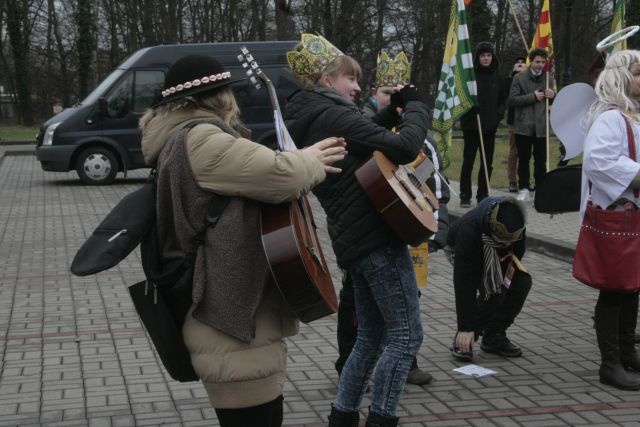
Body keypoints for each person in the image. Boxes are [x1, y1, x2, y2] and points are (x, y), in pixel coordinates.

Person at [139, 54, 347, 427]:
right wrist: (310, 159)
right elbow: (280, 175)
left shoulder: (182, 135)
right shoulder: (202, 138)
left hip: (227, 311)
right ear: (217, 97)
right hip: (230, 316)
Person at [284, 34, 428, 427]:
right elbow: (404, 147)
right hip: (377, 236)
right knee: (405, 337)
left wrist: (392, 111)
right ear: (328, 79)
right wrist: (416, 107)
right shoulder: (333, 114)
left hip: (356, 240)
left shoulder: (311, 112)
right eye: (351, 79)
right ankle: (381, 418)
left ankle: (343, 416)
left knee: (370, 338)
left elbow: (361, 134)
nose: (358, 87)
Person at [332, 51, 448, 387]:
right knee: (356, 305)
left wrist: (425, 199)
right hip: (367, 234)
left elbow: (435, 183)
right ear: (374, 94)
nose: (391, 96)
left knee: (408, 298)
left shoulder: (421, 137)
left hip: (408, 227)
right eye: (386, 90)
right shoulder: (359, 125)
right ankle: (347, 363)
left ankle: (406, 364)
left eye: (397, 90)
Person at [580, 49, 640, 390]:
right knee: (615, 290)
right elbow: (599, 161)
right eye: (637, 73)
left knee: (631, 286)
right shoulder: (610, 118)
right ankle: (610, 363)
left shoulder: (629, 115)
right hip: (616, 216)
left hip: (630, 215)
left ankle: (627, 353)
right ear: (619, 75)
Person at [448, 197, 532, 360]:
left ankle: (494, 335)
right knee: (494, 292)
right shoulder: (469, 230)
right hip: (464, 249)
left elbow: (517, 254)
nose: (509, 242)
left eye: (511, 240)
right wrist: (465, 326)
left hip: (498, 257)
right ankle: (466, 338)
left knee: (521, 284)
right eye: (504, 240)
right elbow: (464, 284)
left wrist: (506, 278)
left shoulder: (517, 222)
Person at [458, 42, 507, 207]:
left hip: (490, 127)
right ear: (477, 58)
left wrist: (498, 116)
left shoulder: (498, 77)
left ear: (492, 57)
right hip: (471, 126)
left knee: (487, 162)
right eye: (483, 56)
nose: (486, 58)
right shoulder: (470, 78)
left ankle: (483, 194)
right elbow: (462, 99)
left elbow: (502, 100)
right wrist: (471, 109)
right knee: (468, 160)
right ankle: (465, 194)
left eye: (488, 55)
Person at [508, 48, 555, 202]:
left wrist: (553, 96)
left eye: (543, 62)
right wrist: (533, 97)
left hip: (541, 127)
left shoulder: (549, 78)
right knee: (524, 159)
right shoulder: (519, 78)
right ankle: (524, 188)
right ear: (531, 61)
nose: (540, 65)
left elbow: (553, 101)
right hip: (523, 126)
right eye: (537, 62)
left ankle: (541, 188)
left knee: (541, 160)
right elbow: (513, 100)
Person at [506, 56, 527, 193]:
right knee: (514, 152)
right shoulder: (510, 81)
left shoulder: (529, 80)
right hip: (514, 121)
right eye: (517, 64)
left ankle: (525, 180)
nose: (519, 65)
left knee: (526, 153)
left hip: (528, 120)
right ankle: (512, 181)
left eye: (522, 64)